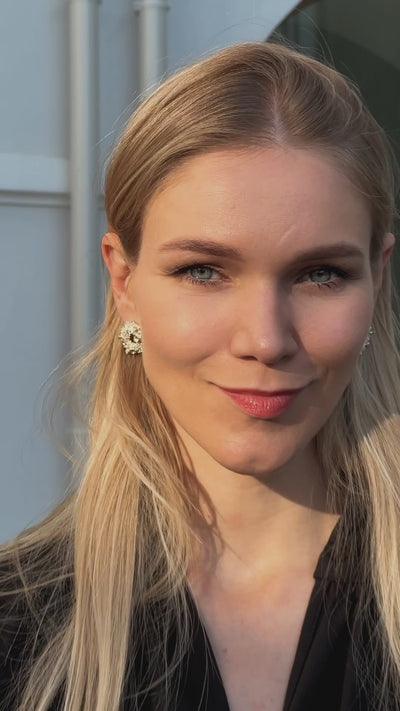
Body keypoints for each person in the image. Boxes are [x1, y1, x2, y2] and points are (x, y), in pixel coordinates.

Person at [1, 40, 399, 711]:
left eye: (319, 273)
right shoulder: (18, 624)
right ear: (124, 281)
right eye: (203, 271)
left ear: (377, 277)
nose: (265, 340)